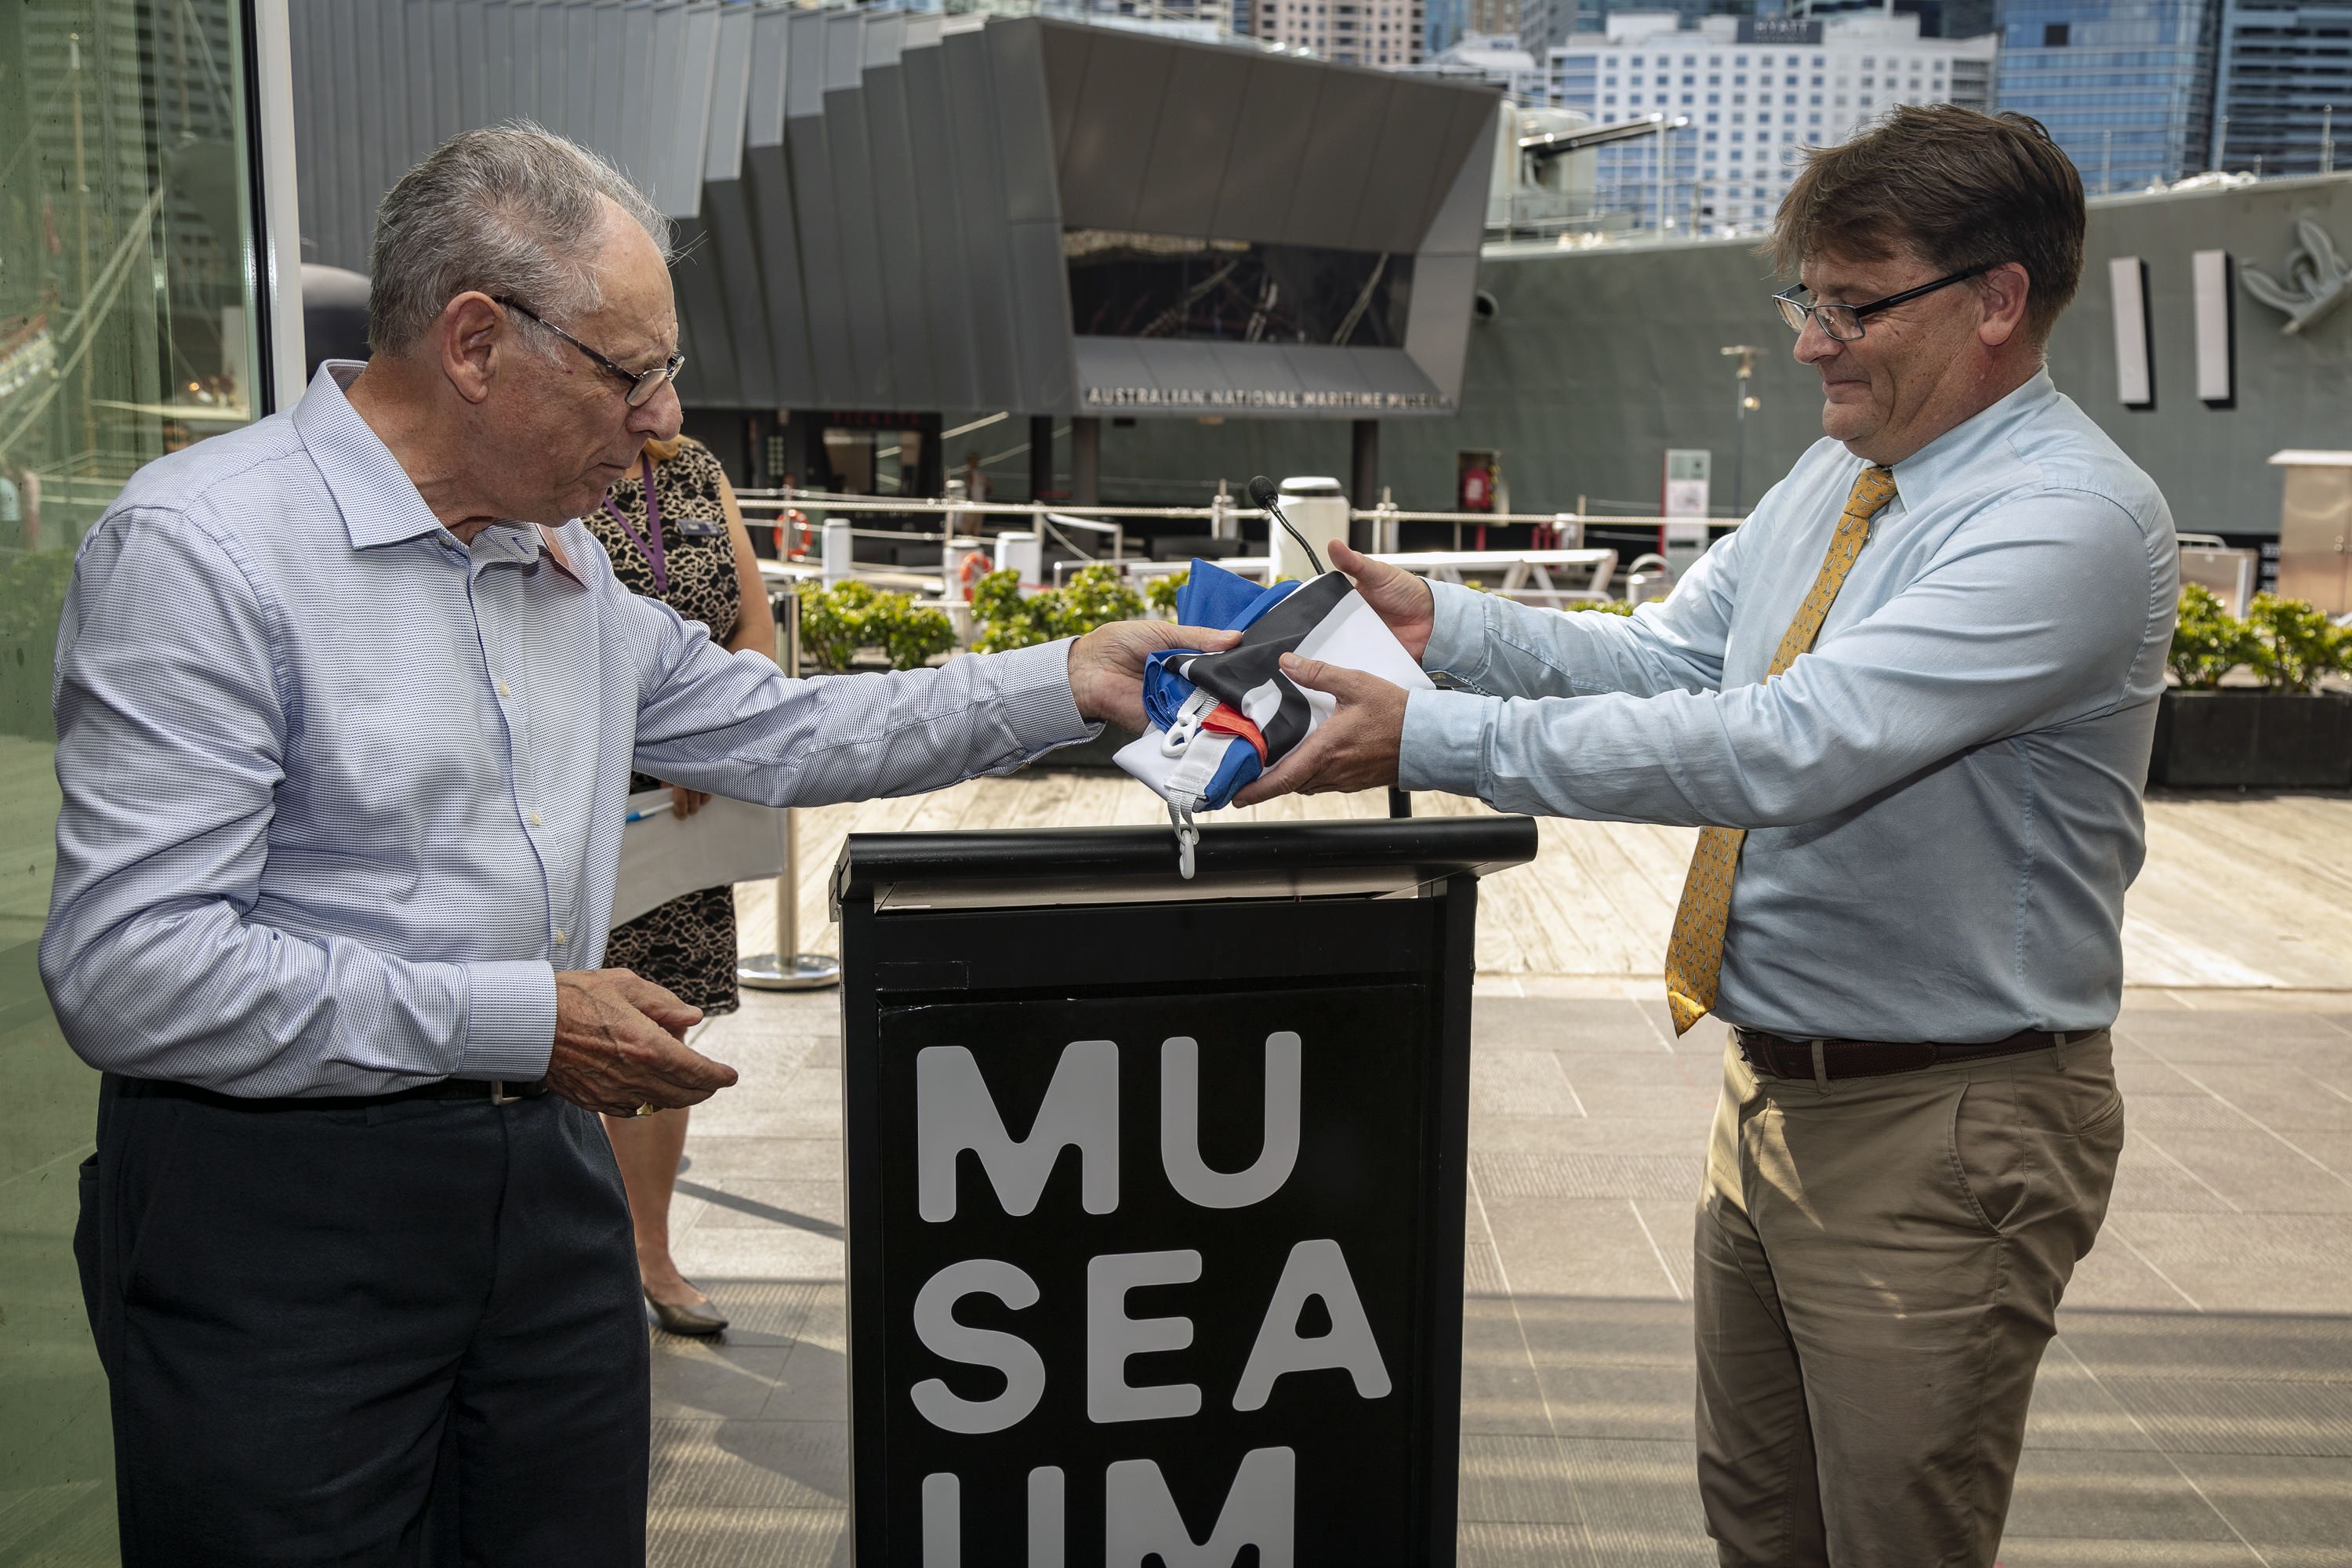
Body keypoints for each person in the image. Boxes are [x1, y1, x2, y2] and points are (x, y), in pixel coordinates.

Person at [44, 125, 1223, 1566]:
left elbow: (785, 736)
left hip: (544, 1192)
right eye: (632, 371)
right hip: (280, 1217)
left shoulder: (566, 567)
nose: (665, 421)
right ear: (475, 342)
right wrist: (525, 1023)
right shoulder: (202, 552)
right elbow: (130, 971)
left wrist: (1065, 681)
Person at [1240, 107, 2174, 1566]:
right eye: (1808, 298)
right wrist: (1453, 628)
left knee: (1893, 1545)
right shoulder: (1848, 470)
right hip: (1774, 1096)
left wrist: (1431, 737)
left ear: (1998, 301)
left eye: (1855, 304)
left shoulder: (2068, 525)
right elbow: (1685, 663)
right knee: (1760, 1528)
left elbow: (1787, 746)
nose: (1813, 339)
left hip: (1946, 1129)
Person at [586, 431, 774, 1337]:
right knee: (585, 1033)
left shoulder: (693, 468)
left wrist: (713, 731)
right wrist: (663, 737)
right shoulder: (553, 467)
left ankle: (651, 1251)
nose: (658, 385)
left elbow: (754, 620)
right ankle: (585, 1258)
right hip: (584, 803)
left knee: (667, 1025)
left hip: (687, 817)